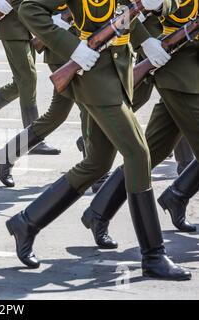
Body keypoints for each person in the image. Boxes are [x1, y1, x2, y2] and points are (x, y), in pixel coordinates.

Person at [5, 0, 191, 280]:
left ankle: (27, 222)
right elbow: (29, 9)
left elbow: (123, 12)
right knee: (138, 154)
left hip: (118, 71)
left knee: (98, 163)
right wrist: (73, 49)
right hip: (94, 76)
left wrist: (149, 32)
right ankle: (153, 255)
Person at [81, 0, 198, 245]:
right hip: (179, 68)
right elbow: (148, 6)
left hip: (186, 72)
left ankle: (99, 211)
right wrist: (147, 38)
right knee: (140, 153)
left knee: (151, 152)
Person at [0, 0, 60, 155]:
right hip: (13, 25)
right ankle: (32, 139)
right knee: (28, 80)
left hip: (31, 25)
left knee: (21, 84)